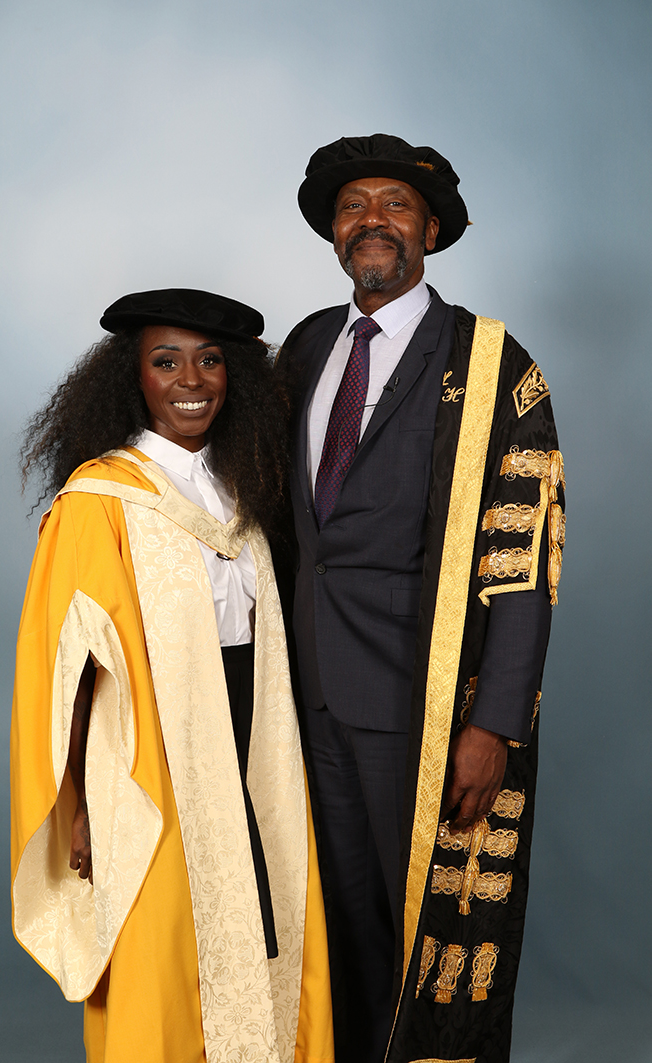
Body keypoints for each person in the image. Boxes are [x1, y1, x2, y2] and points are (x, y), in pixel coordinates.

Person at [280, 135, 565, 1063]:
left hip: (424, 701)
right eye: (352, 205)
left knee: (421, 934)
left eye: (394, 204)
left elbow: (525, 557)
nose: (371, 220)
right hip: (306, 696)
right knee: (339, 927)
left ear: (431, 231)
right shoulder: (306, 347)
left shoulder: (492, 364)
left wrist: (494, 724)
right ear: (333, 232)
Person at [11, 289, 334, 1063]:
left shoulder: (243, 485)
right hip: (148, 752)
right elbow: (68, 668)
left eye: (209, 360)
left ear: (233, 376)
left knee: (269, 913)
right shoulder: (99, 499)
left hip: (256, 736)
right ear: (134, 378)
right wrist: (79, 803)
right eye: (166, 362)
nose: (191, 379)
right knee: (166, 946)